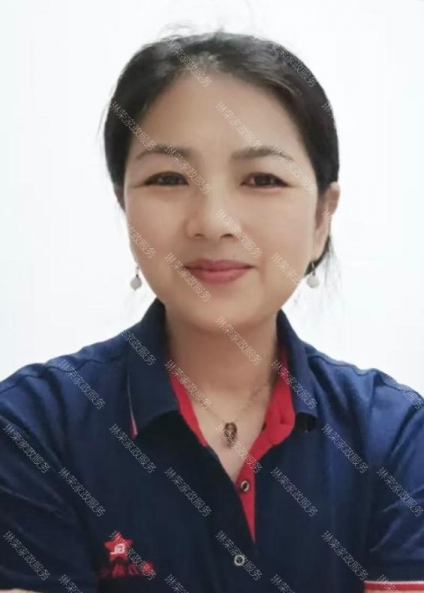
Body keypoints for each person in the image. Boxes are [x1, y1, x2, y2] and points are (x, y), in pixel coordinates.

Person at [0, 31, 423, 593]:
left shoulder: (396, 438)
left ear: (322, 217)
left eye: (262, 179)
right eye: (169, 179)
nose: (214, 221)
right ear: (125, 206)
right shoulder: (34, 429)